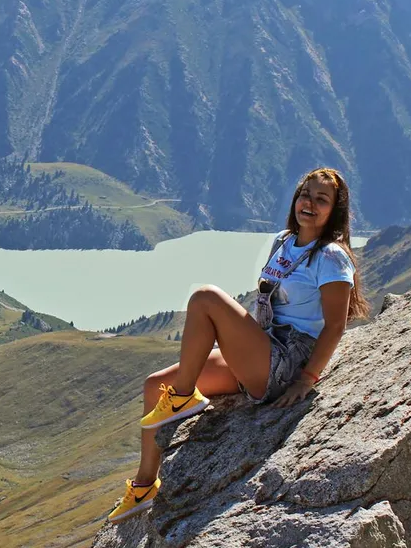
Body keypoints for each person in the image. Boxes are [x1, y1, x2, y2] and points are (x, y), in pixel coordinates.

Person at [107, 167, 369, 523]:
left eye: (321, 200)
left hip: (286, 359)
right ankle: (143, 486)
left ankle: (183, 399)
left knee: (205, 298)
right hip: (263, 346)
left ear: (334, 210)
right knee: (154, 386)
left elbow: (336, 325)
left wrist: (307, 379)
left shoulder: (331, 257)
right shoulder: (283, 241)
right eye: (305, 195)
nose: (309, 204)